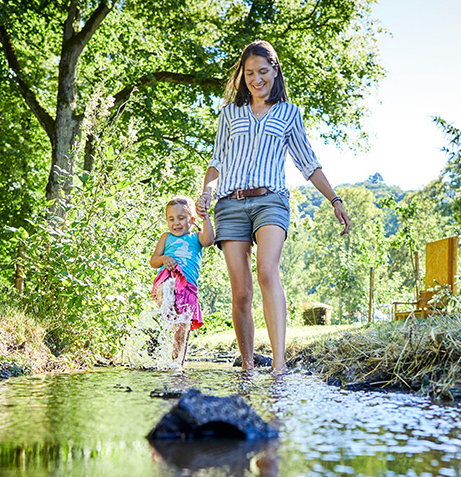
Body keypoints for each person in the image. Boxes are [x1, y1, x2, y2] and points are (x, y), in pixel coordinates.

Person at [197, 40, 351, 373]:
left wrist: (334, 199)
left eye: (263, 72)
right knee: (240, 292)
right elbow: (217, 161)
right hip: (230, 205)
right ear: (242, 75)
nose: (256, 79)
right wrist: (207, 191)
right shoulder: (229, 113)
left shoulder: (289, 113)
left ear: (275, 70)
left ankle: (279, 366)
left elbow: (308, 163)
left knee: (267, 270)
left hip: (271, 200)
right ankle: (248, 366)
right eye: (249, 73)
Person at [150, 196, 214, 367]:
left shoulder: (197, 237)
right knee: (167, 289)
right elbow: (153, 261)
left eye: (181, 218)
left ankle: (177, 364)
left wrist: (205, 217)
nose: (175, 223)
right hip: (168, 279)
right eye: (171, 219)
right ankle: (167, 312)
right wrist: (163, 258)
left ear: (192, 220)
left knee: (182, 329)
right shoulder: (166, 237)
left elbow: (209, 241)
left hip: (188, 287)